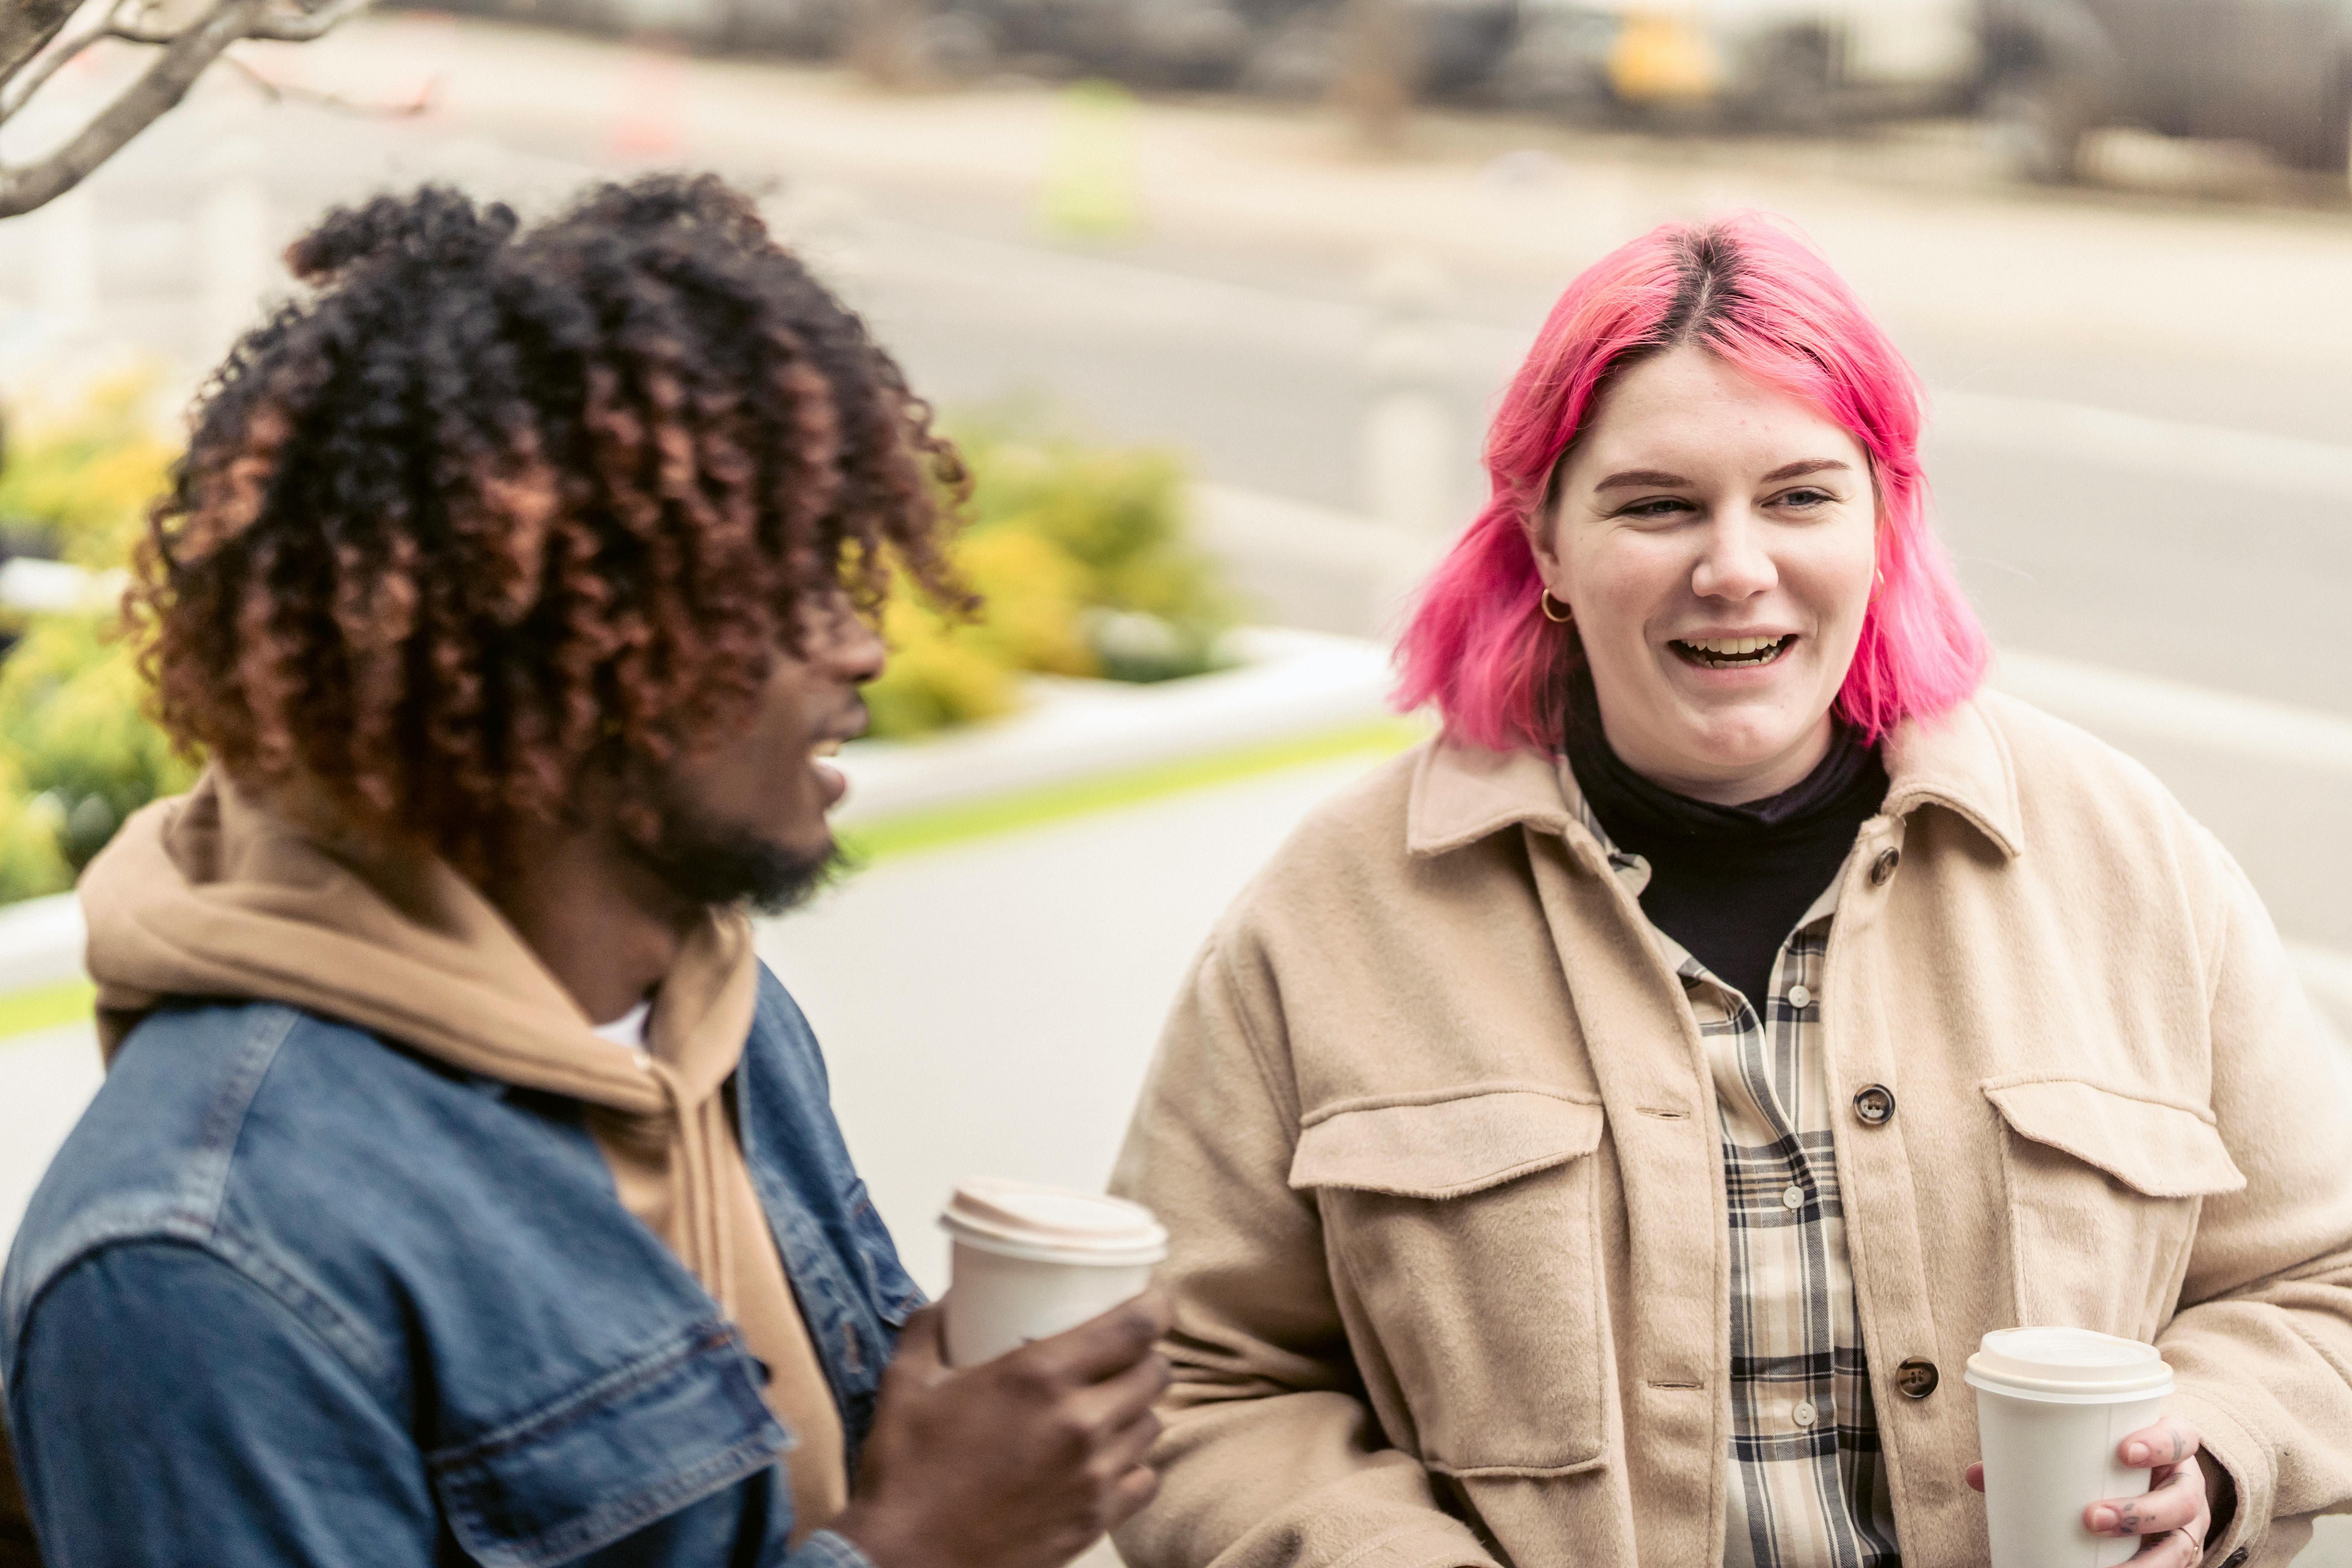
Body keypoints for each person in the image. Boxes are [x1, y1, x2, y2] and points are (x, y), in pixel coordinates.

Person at [1109, 215, 2352, 1568]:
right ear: (1545, 544)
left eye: (1802, 496)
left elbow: (2326, 1283)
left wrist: (2215, 1446)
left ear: (1885, 520)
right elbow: (1189, 1381)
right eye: (1657, 504)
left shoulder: (2128, 858)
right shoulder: (1335, 911)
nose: (1736, 567)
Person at [0, 176, 1168, 1568]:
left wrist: (971, 1438)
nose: (860, 649)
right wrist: (922, 1547)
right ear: (544, 661)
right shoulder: (203, 1254)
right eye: (772, 596)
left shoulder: (717, 1011)